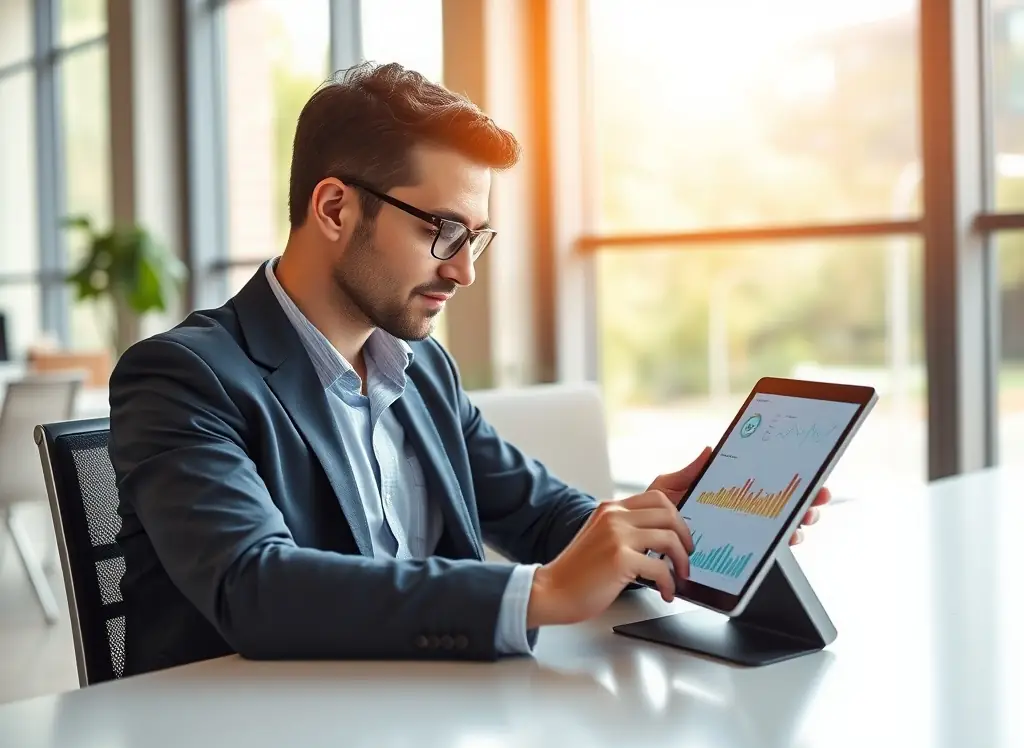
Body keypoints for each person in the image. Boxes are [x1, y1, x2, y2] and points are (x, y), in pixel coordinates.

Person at [108, 62, 829, 676]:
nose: (462, 271)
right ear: (333, 208)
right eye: (443, 230)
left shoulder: (421, 370)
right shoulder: (181, 377)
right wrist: (537, 595)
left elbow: (542, 514)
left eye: (475, 238)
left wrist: (653, 527)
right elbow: (255, 587)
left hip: (422, 721)